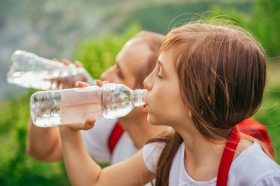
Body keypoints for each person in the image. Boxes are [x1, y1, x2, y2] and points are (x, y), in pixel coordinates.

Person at [58, 21, 280, 186]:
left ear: (202, 98)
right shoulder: (164, 150)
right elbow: (96, 182)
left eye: (161, 75)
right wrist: (68, 130)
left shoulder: (257, 175)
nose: (146, 82)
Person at [26, 31, 168, 165]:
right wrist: (51, 92)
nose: (105, 75)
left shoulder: (171, 159)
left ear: (145, 98)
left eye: (119, 72)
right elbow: (44, 151)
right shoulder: (114, 128)